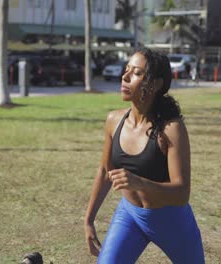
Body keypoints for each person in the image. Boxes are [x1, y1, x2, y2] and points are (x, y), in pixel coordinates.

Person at [84, 47, 204, 264]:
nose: (125, 76)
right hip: (129, 216)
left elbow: (181, 192)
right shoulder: (114, 120)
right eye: (127, 70)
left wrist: (140, 183)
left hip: (171, 221)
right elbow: (104, 171)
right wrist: (89, 220)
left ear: (156, 84)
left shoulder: (171, 129)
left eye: (137, 73)